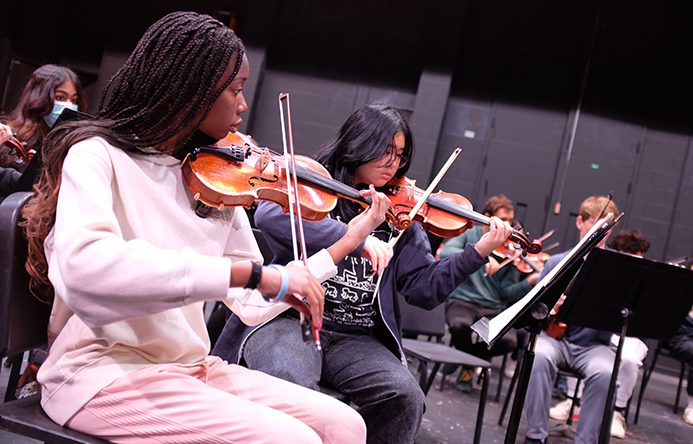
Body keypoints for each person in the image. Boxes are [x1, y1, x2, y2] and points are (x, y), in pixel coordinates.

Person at [20, 11, 396, 443]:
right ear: (188, 90)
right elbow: (86, 270)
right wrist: (251, 274)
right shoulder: (97, 155)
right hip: (97, 372)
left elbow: (252, 300)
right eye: (234, 90)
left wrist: (346, 242)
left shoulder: (212, 179)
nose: (243, 105)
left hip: (188, 367)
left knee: (346, 425)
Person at [213, 103, 515, 444]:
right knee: (290, 382)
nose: (394, 164)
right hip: (288, 319)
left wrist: (477, 252)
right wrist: (357, 239)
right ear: (359, 143)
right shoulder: (316, 182)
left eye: (400, 155)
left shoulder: (401, 213)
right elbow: (270, 215)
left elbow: (424, 290)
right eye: (385, 152)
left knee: (406, 398)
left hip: (355, 337)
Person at [524, 195, 619, 444]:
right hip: (555, 340)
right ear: (580, 222)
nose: (600, 234)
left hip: (594, 346)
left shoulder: (616, 270)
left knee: (606, 371)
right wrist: (548, 306)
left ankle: (586, 441)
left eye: (606, 229)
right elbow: (534, 311)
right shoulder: (556, 262)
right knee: (538, 356)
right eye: (594, 226)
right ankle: (536, 436)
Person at [548, 228, 651, 438]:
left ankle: (617, 411)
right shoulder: (606, 270)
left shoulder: (645, 276)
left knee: (630, 358)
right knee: (583, 339)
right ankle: (572, 400)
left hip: (627, 331)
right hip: (599, 331)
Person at [439, 194, 540, 392]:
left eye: (511, 221)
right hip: (463, 300)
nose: (508, 225)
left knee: (509, 341)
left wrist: (529, 282)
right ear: (487, 216)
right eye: (503, 220)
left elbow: (505, 293)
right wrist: (479, 254)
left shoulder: (512, 248)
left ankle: (462, 359)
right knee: (460, 326)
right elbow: (445, 253)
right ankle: (467, 364)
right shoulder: (469, 233)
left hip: (493, 307)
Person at [0, 64, 86, 173]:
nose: (69, 105)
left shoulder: (71, 146)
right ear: (38, 98)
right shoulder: (7, 138)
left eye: (73, 100)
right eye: (60, 97)